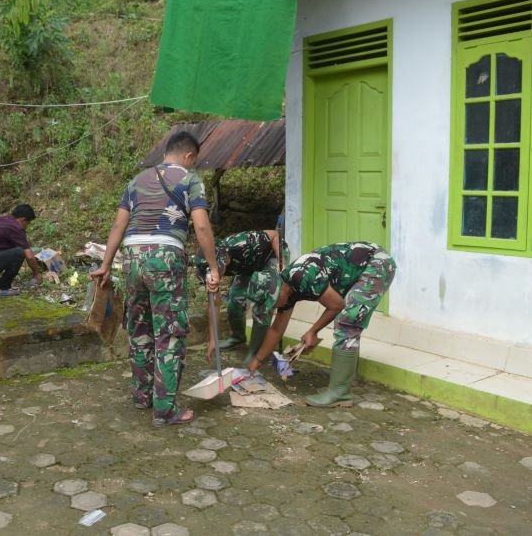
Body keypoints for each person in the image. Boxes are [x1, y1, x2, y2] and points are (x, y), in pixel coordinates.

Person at [91, 131, 220, 428]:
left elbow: (118, 224)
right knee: (170, 333)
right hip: (165, 257)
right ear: (189, 156)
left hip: (132, 259)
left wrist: (106, 264)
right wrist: (213, 266)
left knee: (139, 329)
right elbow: (201, 226)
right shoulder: (190, 179)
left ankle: (142, 395)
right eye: (194, 160)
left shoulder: (136, 181)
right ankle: (164, 410)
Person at [247, 242, 397, 407]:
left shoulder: (302, 277)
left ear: (279, 288)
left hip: (376, 264)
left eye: (272, 302)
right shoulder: (286, 290)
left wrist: (313, 331)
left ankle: (340, 393)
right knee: (349, 318)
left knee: (348, 321)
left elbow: (336, 305)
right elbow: (276, 329)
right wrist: (257, 360)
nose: (273, 306)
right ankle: (344, 378)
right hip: (358, 269)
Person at [193, 230, 289, 366]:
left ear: (224, 259)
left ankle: (255, 352)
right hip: (247, 266)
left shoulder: (242, 243)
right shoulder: (210, 267)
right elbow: (213, 302)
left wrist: (282, 264)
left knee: (263, 300)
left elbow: (274, 235)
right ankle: (238, 337)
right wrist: (213, 339)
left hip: (271, 256)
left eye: (218, 269)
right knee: (235, 301)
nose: (216, 274)